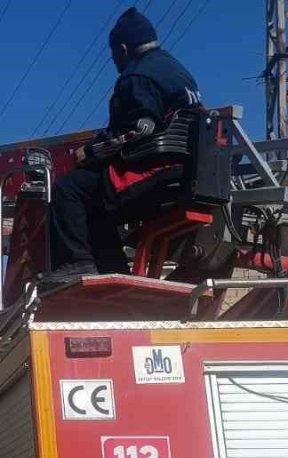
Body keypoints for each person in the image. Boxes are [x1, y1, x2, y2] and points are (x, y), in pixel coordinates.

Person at [41, 7, 202, 285]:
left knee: (70, 190)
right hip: (183, 171)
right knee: (96, 199)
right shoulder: (178, 71)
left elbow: (138, 129)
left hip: (153, 171)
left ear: (123, 49)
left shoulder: (137, 77)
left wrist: (90, 151)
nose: (114, 61)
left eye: (114, 54)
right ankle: (112, 269)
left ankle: (76, 264)